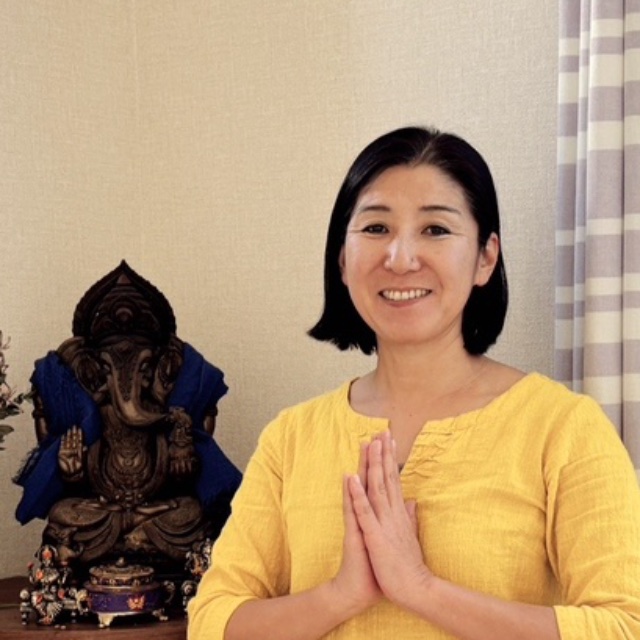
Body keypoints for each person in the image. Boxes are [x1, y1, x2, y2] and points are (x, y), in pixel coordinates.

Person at [187, 126, 640, 639]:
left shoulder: (563, 428)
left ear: (486, 258)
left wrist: (421, 588)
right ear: (342, 258)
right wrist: (341, 594)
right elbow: (213, 622)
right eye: (376, 228)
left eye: (436, 230)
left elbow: (624, 627)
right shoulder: (290, 439)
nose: (400, 258)